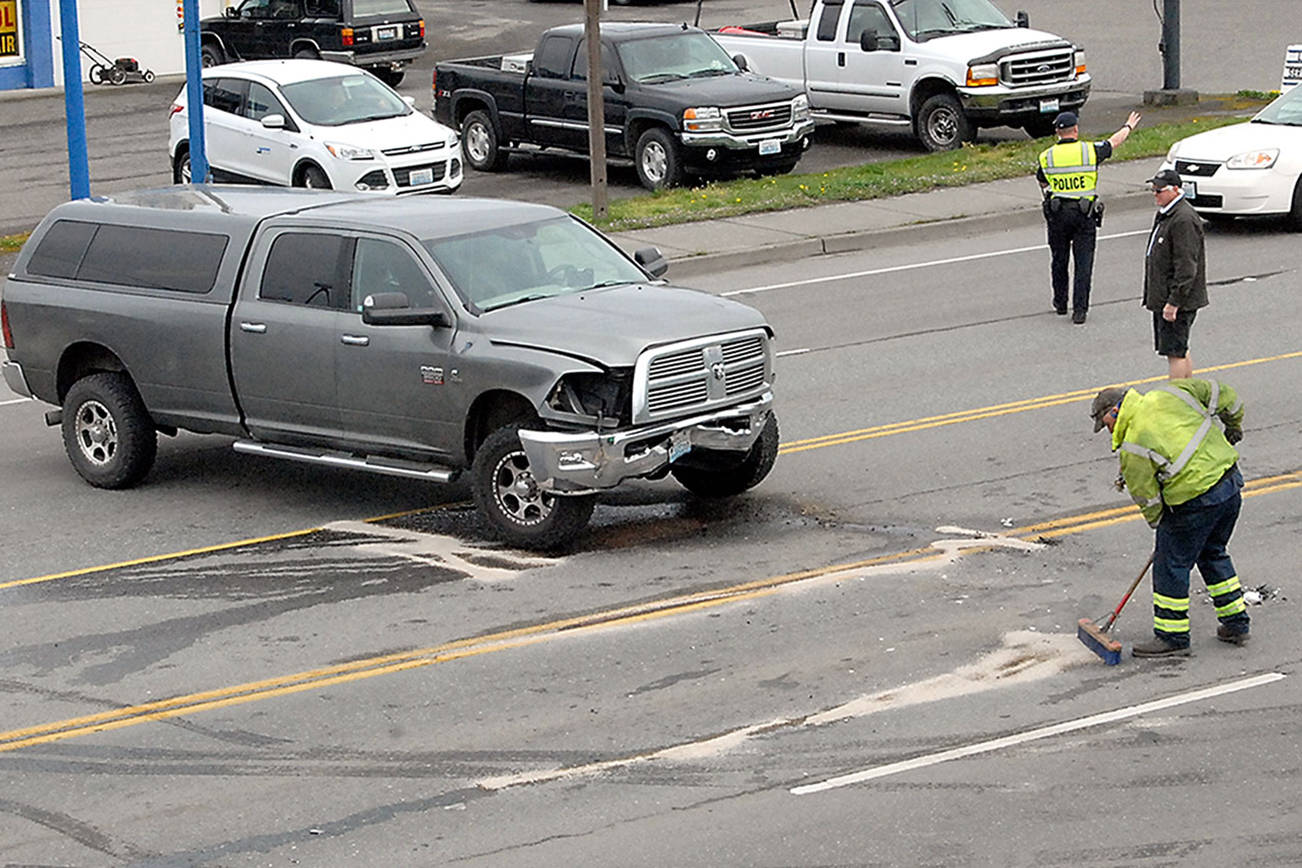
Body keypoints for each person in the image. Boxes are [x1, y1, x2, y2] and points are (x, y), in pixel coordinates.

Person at [1089, 380, 1250, 658]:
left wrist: (1162, 525)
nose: (1109, 431)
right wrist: (1233, 425)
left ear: (1115, 411)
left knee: (1170, 566)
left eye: (1106, 425)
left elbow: (1147, 497)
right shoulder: (1170, 394)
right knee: (1212, 552)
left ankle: (1172, 637)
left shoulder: (1134, 444)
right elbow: (1225, 394)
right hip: (1229, 485)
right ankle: (1236, 624)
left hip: (1195, 501)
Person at [1036, 109, 1142, 324]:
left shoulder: (1047, 156)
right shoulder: (1089, 151)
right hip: (1083, 214)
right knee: (1083, 263)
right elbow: (1114, 142)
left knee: (1059, 260)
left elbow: (1043, 181)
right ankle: (1080, 311)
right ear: (1075, 129)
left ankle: (1060, 303)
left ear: (1057, 132)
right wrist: (1128, 126)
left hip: (1058, 214)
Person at [1144, 168, 1207, 380]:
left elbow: (1187, 266)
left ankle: (1177, 394)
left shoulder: (1183, 219)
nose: (1155, 194)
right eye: (1153, 189)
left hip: (1178, 300)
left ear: (1176, 190)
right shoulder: (1167, 213)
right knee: (1179, 348)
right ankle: (1188, 390)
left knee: (1175, 353)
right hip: (1166, 297)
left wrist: (1174, 302)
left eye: (1159, 190)